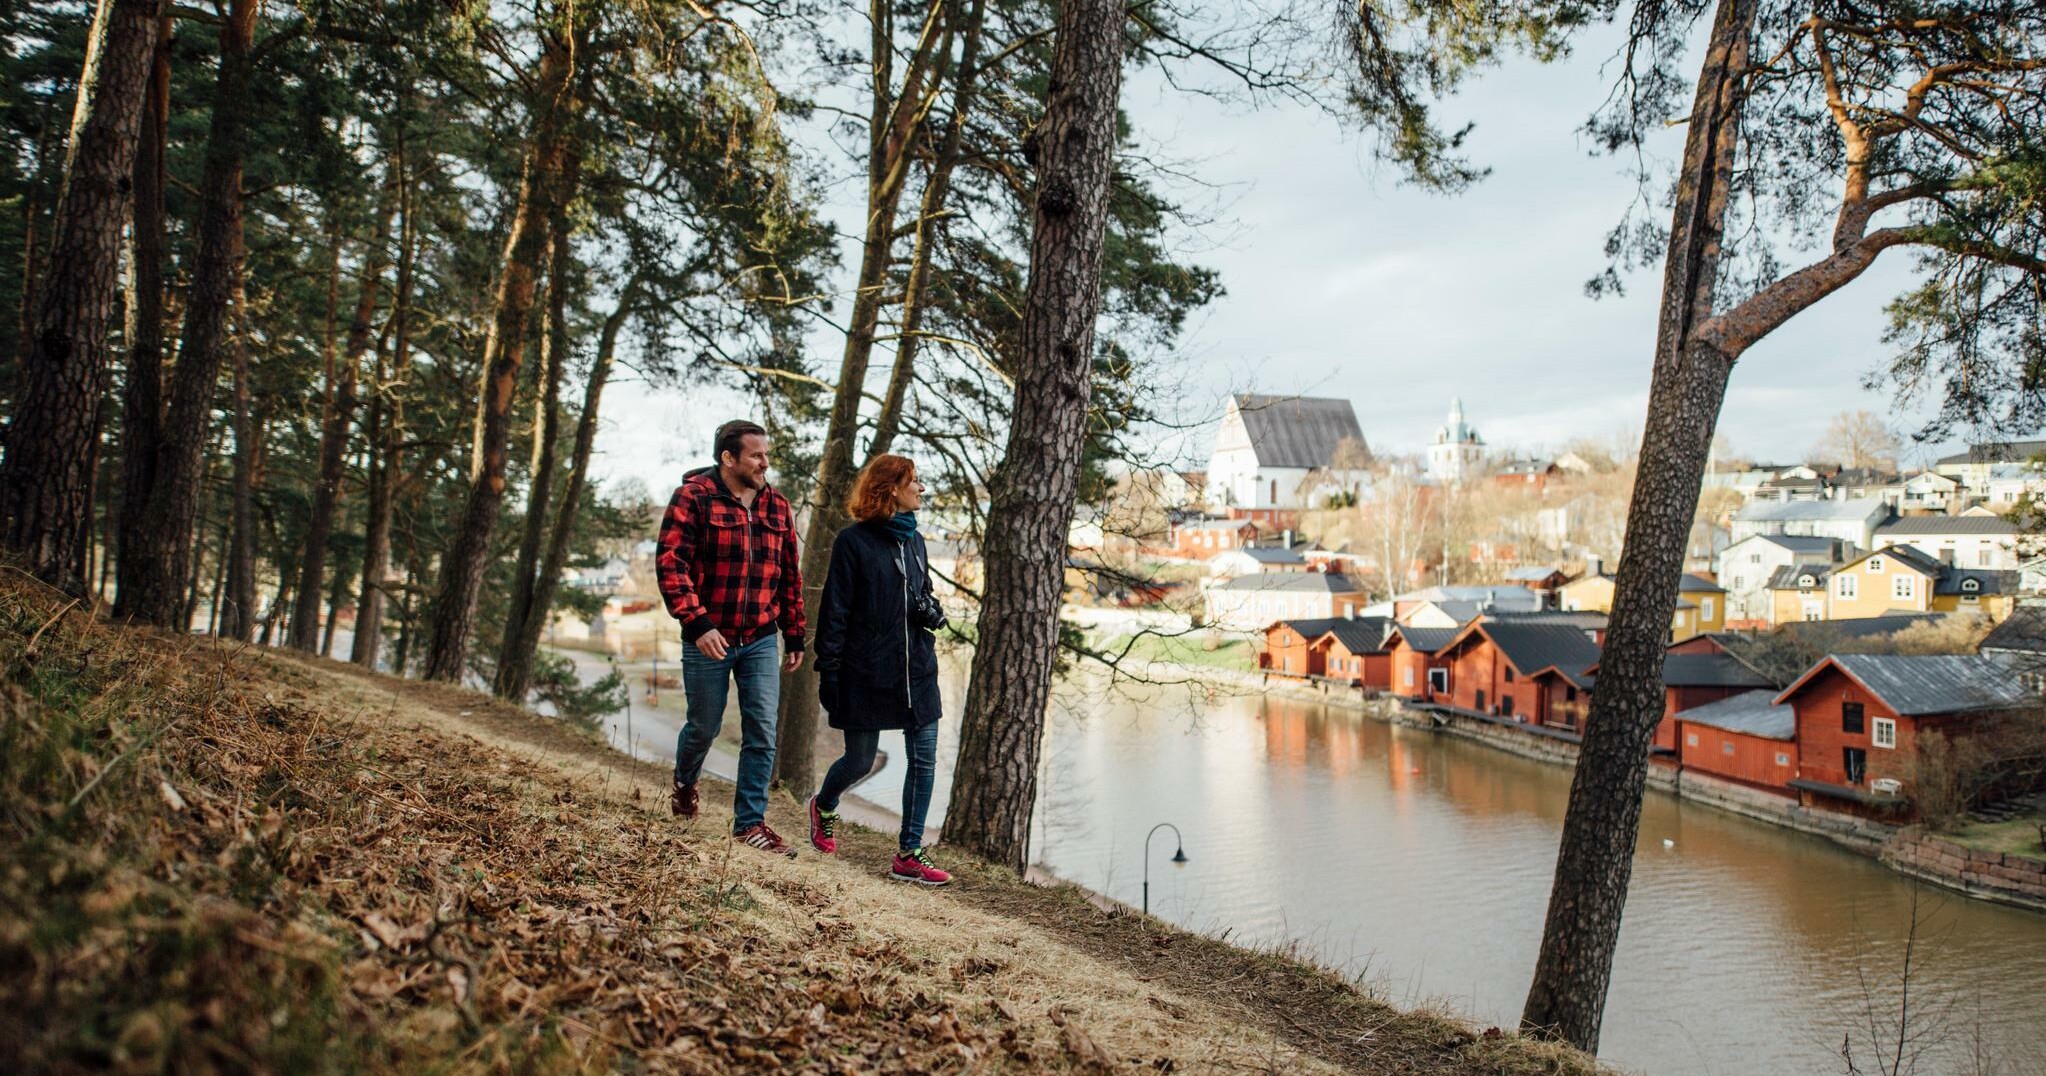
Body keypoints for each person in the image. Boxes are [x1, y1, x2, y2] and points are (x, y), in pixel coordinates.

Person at [655, 420, 805, 856]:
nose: (765, 463)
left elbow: (789, 576)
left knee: (762, 729)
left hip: (760, 635)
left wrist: (794, 633)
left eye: (766, 455)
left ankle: (750, 824)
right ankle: (685, 782)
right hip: (709, 635)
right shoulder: (693, 498)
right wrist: (697, 624)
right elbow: (671, 564)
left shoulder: (778, 506)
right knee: (704, 726)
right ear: (729, 457)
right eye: (756, 455)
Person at [806, 454, 952, 885]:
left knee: (923, 760)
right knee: (860, 760)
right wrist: (828, 671)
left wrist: (932, 610)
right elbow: (835, 612)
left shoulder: (917, 541)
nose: (922, 488)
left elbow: (921, 593)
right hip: (867, 670)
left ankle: (909, 854)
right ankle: (824, 804)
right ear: (891, 489)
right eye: (915, 481)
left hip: (918, 670)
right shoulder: (853, 543)